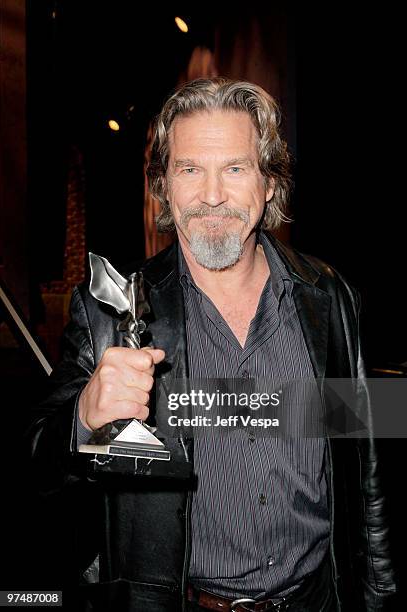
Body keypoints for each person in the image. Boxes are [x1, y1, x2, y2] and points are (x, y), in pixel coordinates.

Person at [29, 78, 396, 612]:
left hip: (319, 599)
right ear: (164, 186)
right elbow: (34, 469)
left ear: (269, 184)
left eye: (235, 168)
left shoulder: (328, 295)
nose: (212, 195)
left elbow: (365, 461)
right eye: (190, 169)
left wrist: (381, 594)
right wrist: (84, 419)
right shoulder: (108, 309)